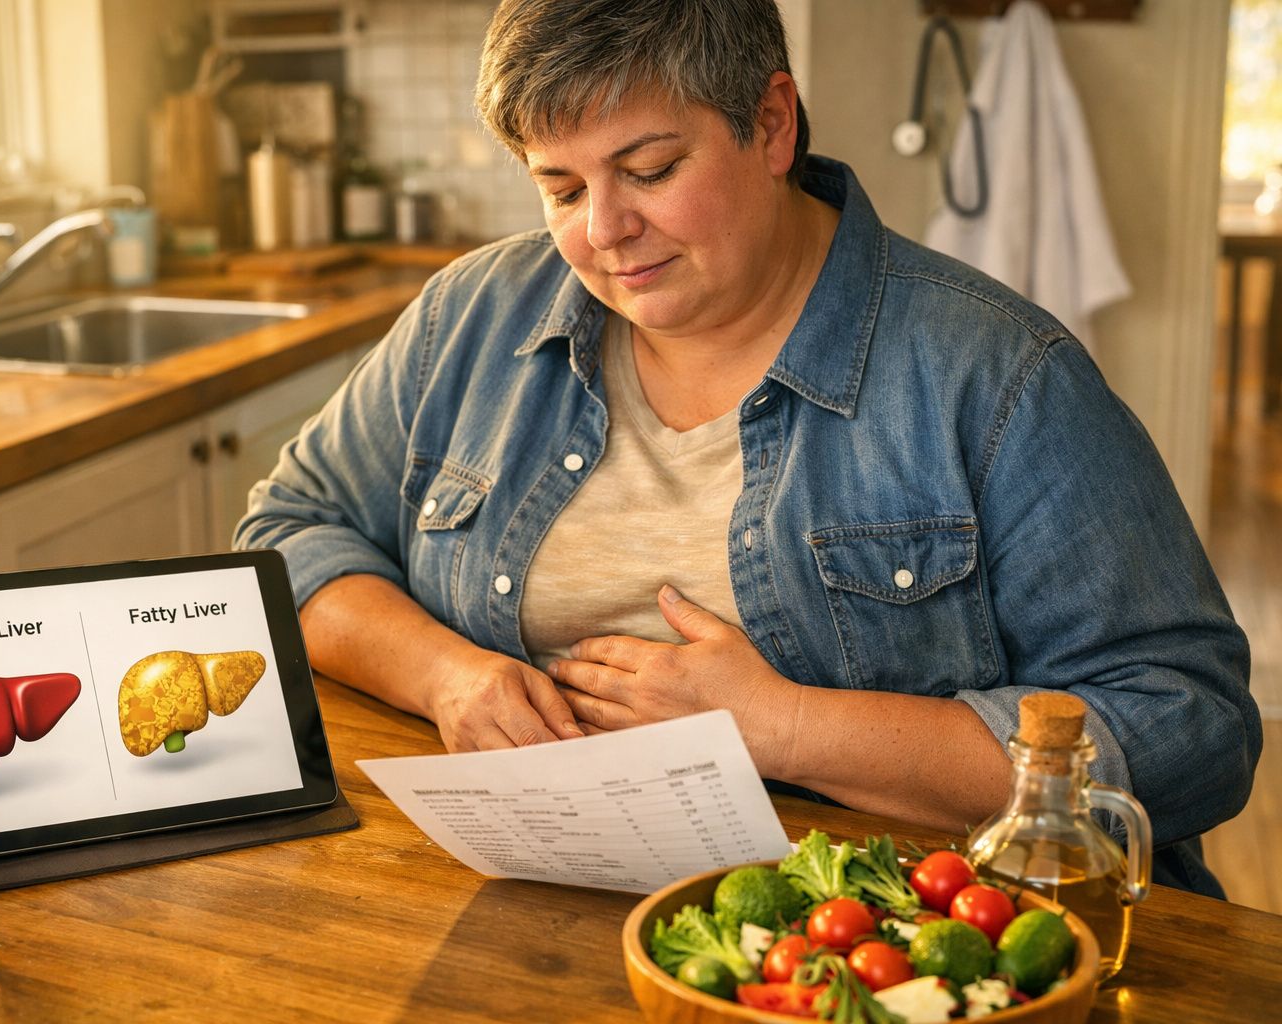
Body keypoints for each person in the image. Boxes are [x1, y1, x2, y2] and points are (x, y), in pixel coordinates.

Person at [236, 0, 1260, 896]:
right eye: (561, 189)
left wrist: (782, 726)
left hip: (894, 938)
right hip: (521, 899)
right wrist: (448, 678)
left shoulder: (998, 374)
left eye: (649, 169)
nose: (604, 229)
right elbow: (289, 533)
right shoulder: (471, 314)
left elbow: (1189, 729)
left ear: (772, 123)